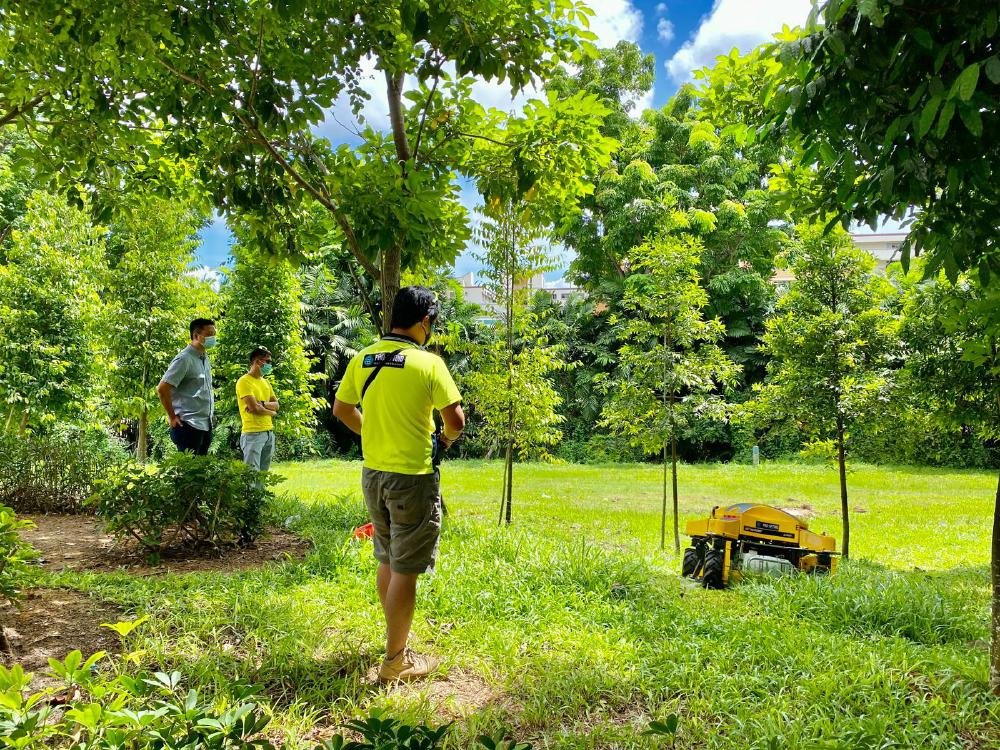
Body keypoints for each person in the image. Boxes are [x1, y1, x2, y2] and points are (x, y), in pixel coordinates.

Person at [333, 286, 465, 683]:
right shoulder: (428, 364)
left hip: (374, 473)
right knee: (405, 567)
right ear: (425, 321)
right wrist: (443, 441)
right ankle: (395, 662)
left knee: (387, 557)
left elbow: (342, 409)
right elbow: (455, 421)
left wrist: (371, 432)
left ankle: (395, 642)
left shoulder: (364, 357)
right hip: (413, 477)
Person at [157, 318, 217, 455]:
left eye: (214, 334)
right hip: (188, 425)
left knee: (200, 473)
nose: (213, 338)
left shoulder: (204, 358)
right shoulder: (184, 359)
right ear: (196, 336)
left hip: (205, 424)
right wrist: (172, 417)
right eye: (209, 334)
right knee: (188, 473)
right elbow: (162, 388)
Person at [236, 347, 279, 471]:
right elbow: (253, 408)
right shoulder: (244, 381)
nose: (270, 365)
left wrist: (262, 404)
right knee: (251, 475)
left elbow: (276, 404)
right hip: (252, 434)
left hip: (268, 433)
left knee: (263, 475)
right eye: (268, 361)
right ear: (258, 361)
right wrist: (271, 412)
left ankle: (260, 492)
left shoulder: (266, 382)